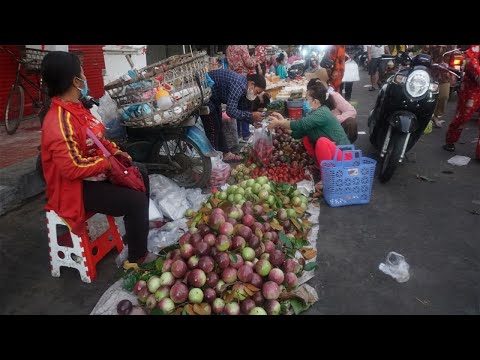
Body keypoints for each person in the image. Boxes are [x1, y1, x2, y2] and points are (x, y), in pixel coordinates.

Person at [40, 51, 150, 268]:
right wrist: (107, 164)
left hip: (93, 174)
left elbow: (97, 138)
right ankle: (137, 259)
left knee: (140, 172)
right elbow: (72, 168)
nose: (85, 77)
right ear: (75, 80)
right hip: (73, 187)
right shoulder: (58, 122)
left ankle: (137, 231)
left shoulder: (77, 107)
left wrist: (116, 153)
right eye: (82, 72)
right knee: (135, 202)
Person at [267, 83, 350, 170]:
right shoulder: (314, 113)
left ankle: (327, 174)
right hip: (335, 153)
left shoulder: (322, 113)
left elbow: (300, 124)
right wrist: (282, 121)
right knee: (306, 138)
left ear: (315, 101)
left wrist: (279, 123)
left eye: (307, 99)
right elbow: (297, 133)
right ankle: (319, 165)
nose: (305, 102)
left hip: (344, 155)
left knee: (322, 142)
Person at [202, 69, 266, 162]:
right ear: (252, 84)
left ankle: (225, 154)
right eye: (257, 92)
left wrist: (252, 121)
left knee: (219, 126)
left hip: (215, 98)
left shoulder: (244, 87)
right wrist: (251, 115)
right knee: (213, 129)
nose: (255, 95)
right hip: (207, 96)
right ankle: (213, 162)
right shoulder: (239, 86)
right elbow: (231, 111)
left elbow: (241, 109)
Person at [444, 45, 480, 159]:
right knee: (463, 117)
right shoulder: (475, 49)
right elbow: (470, 63)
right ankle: (450, 140)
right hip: (472, 89)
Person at [307, 75, 358, 143]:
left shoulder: (334, 97)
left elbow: (351, 111)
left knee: (351, 122)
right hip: (322, 128)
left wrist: (335, 120)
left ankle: (345, 146)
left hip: (336, 127)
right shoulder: (310, 102)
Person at [424, 45, 454, 128]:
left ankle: (436, 116)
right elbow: (424, 56)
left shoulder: (450, 48)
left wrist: (452, 73)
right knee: (429, 98)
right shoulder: (430, 47)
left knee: (444, 96)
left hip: (445, 76)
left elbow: (452, 63)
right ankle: (428, 117)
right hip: (431, 75)